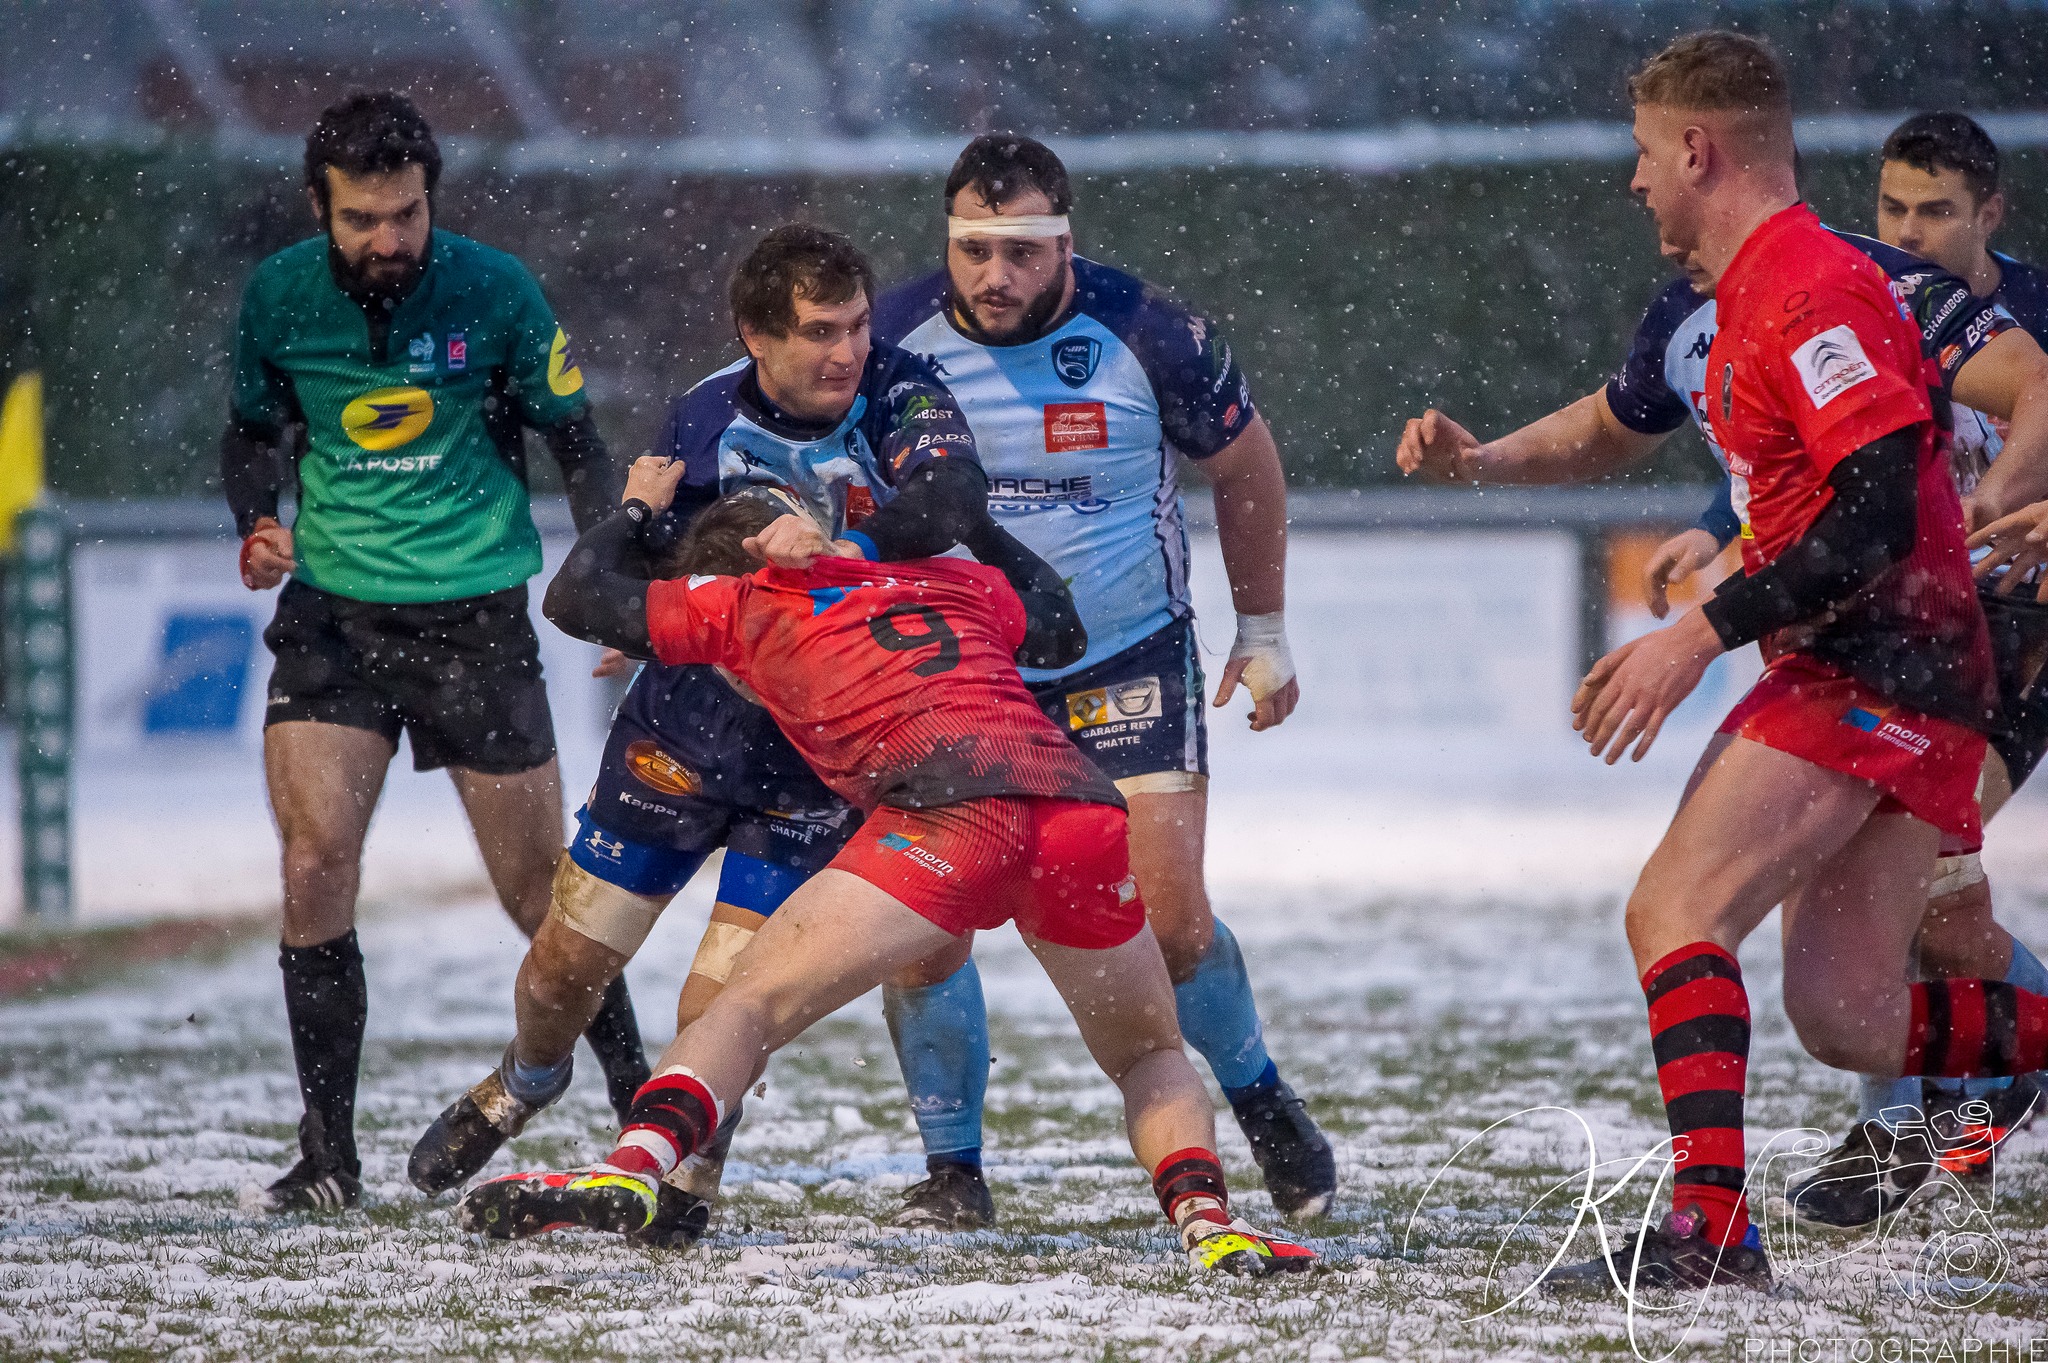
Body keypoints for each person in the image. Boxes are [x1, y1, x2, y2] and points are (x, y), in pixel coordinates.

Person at [1435, 31, 2048, 1291]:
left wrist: (1694, 633)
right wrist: (1500, 464)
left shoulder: (1808, 289)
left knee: (1672, 912)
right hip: (1891, 666)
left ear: (1696, 149)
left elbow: (1875, 510)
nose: (1633, 181)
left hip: (1879, 668)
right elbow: (1746, 462)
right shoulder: (1739, 294)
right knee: (1849, 1018)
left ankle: (1710, 1233)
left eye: (1644, 153)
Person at [455, 474, 1317, 1277]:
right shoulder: (946, 580)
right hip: (1076, 810)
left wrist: (639, 510)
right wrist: (968, 517)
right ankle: (1208, 1221)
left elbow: (573, 596)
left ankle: (629, 1167)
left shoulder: (748, 603)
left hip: (948, 812)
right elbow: (1059, 623)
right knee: (1148, 1050)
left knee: (746, 1006)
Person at [406, 224, 992, 1243]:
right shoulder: (705, 415)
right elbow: (649, 550)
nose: (846, 351)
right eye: (817, 332)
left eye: (853, 325)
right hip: (682, 731)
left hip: (814, 753)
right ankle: (526, 1078)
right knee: (559, 971)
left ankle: (685, 1185)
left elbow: (948, 499)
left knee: (719, 998)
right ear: (754, 338)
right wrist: (648, 607)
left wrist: (841, 544)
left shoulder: (904, 389)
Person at [867, 133, 1335, 1229]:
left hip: (1125, 657)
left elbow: (1245, 463)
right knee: (926, 929)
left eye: (1022, 251)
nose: (995, 277)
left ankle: (1260, 1097)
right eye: (975, 250)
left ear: (1064, 242)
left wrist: (1260, 625)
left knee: (1167, 925)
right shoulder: (888, 339)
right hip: (962, 674)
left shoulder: (1149, 331)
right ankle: (953, 1172)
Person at [221, 91, 640, 1213]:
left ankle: (640, 1101)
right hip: (336, 617)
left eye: (404, 214)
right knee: (314, 866)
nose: (386, 240)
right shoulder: (279, 297)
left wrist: (612, 581)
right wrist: (255, 523)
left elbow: (576, 442)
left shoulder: (494, 289)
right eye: (361, 218)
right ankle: (328, 1156)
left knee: (535, 894)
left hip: (475, 616)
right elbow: (252, 433)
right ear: (320, 206)